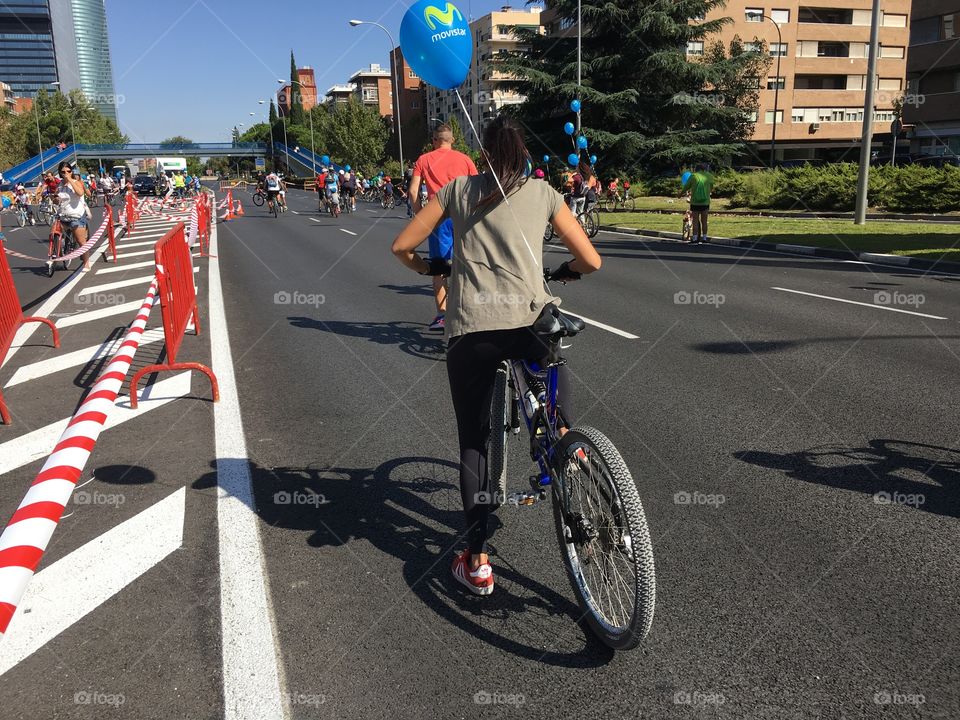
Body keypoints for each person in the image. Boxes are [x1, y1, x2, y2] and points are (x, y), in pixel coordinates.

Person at [391, 117, 601, 595]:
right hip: (531, 322)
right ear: (523, 152)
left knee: (475, 440)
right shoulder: (544, 193)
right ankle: (569, 445)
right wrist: (563, 273)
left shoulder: (458, 191)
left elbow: (401, 245)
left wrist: (432, 266)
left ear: (481, 153)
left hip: (474, 332)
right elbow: (591, 260)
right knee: (551, 378)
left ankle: (478, 561)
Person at [408, 124, 479, 332]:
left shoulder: (424, 159)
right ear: (452, 140)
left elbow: (413, 191)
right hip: (463, 215)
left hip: (438, 216)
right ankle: (472, 310)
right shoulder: (465, 159)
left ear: (434, 140)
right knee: (468, 264)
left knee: (438, 267)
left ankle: (442, 315)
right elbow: (477, 188)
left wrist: (421, 215)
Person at [55, 162, 92, 270]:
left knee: (81, 241)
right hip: (63, 215)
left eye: (68, 171)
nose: (66, 173)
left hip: (76, 216)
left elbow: (80, 193)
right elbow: (56, 200)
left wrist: (70, 180)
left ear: (71, 172)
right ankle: (55, 253)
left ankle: (86, 262)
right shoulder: (60, 185)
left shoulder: (77, 182)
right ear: (60, 173)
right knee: (54, 231)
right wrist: (55, 199)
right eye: (63, 172)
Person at [681, 163, 714, 244]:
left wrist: (680, 194)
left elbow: (686, 187)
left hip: (695, 202)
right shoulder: (709, 176)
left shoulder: (693, 176)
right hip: (705, 202)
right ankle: (705, 238)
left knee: (695, 221)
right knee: (704, 221)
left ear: (697, 169)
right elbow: (711, 187)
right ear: (704, 169)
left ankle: (695, 239)